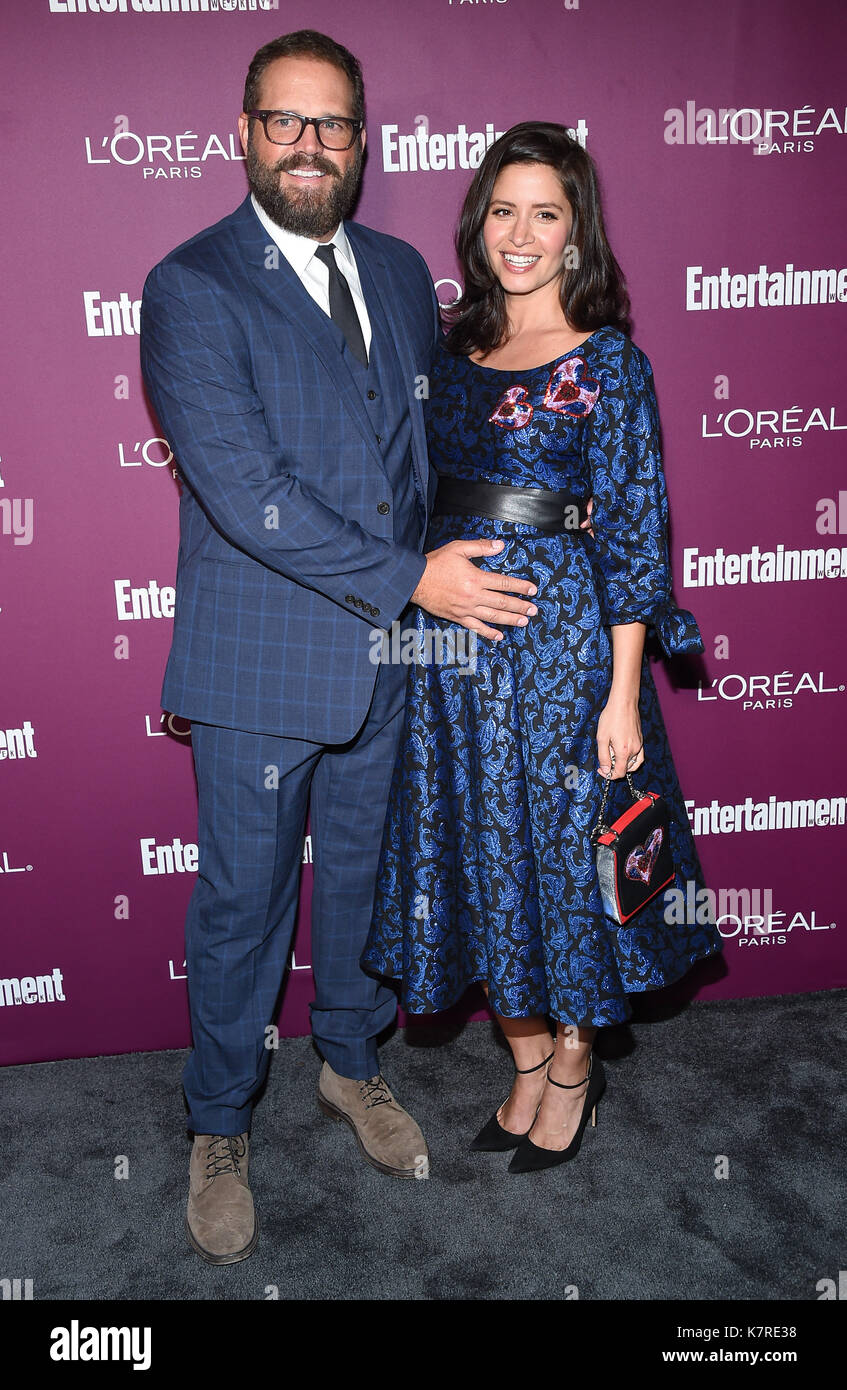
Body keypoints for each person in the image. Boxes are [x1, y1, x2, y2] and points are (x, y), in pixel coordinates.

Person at [140, 32, 539, 1263]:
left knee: (366, 888)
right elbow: (244, 487)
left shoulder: (405, 266)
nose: (310, 144)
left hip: (394, 662)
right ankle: (219, 1126)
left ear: (362, 141)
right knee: (243, 907)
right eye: (284, 122)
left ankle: (350, 1065)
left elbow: (430, 458)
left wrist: (535, 548)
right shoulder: (191, 283)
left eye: (332, 125)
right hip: (263, 660)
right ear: (245, 133)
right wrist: (411, 576)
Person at [362, 122, 724, 1175]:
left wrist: (622, 696)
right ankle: (521, 1055)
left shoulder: (609, 361)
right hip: (451, 648)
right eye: (503, 210)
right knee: (479, 849)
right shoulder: (449, 351)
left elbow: (632, 527)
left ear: (577, 235)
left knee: (568, 858)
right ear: (478, 224)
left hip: (562, 645)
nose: (520, 233)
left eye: (546, 213)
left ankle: (573, 1061)